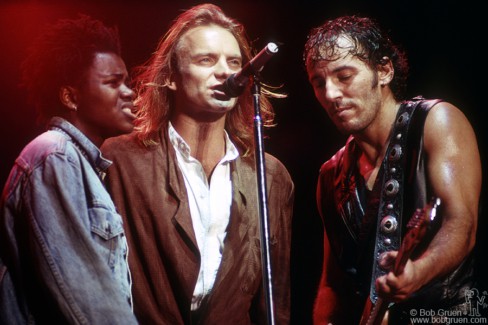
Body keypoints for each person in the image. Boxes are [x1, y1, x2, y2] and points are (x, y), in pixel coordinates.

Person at [101, 3, 294, 325]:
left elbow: (276, 300)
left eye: (234, 62)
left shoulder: (270, 176)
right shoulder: (121, 160)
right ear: (173, 78)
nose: (225, 72)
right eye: (206, 60)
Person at [303, 15, 481, 324]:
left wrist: (417, 273)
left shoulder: (436, 122)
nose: (330, 94)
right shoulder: (330, 175)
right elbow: (332, 283)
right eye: (319, 83)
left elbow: (461, 224)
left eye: (344, 76)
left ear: (384, 70)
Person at [0, 15, 138, 324]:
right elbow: (84, 293)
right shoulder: (54, 155)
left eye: (126, 81)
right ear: (70, 97)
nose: (129, 92)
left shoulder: (80, 165)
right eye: (113, 82)